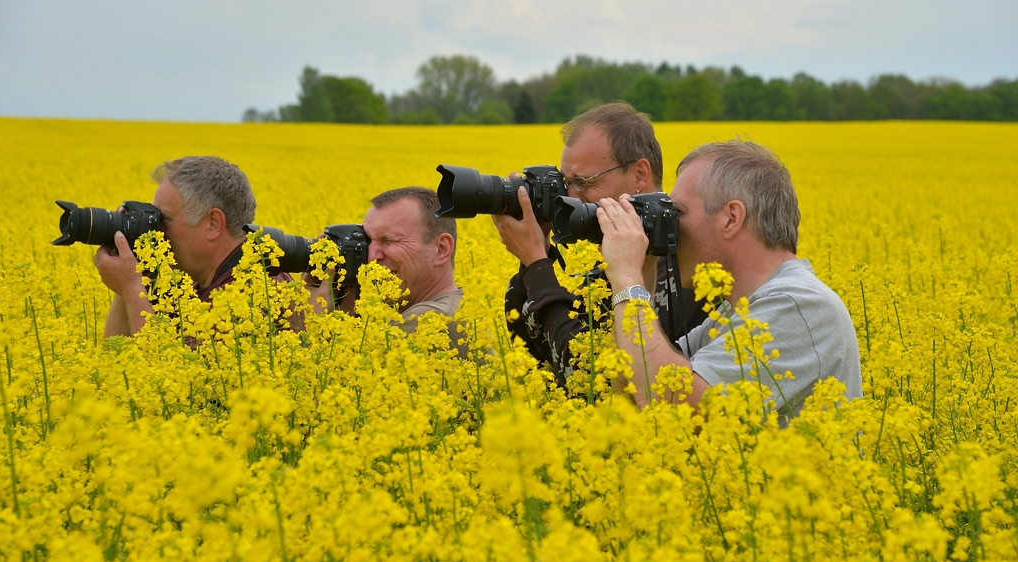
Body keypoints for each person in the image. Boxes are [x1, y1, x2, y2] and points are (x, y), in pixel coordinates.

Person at [596, 139, 863, 422]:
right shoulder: (733, 314)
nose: (671, 226)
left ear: (731, 218)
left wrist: (626, 277)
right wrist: (645, 269)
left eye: (678, 213)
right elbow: (634, 389)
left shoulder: (800, 305)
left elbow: (680, 410)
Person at [492, 102, 706, 385]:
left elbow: (587, 381)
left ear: (640, 174)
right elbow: (532, 356)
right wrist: (536, 248)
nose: (568, 197)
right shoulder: (600, 254)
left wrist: (537, 265)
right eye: (565, 182)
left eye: (582, 182)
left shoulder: (687, 265)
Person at [94, 156, 292, 337]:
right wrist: (130, 273)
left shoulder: (255, 291)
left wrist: (132, 290)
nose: (155, 229)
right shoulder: (196, 281)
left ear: (213, 224)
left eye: (164, 219)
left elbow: (165, 371)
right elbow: (118, 362)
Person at [306, 187, 463, 337]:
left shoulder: (430, 319)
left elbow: (338, 364)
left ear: (441, 249)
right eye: (366, 240)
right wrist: (347, 303)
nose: (371, 257)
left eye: (387, 240)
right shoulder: (461, 306)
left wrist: (319, 325)